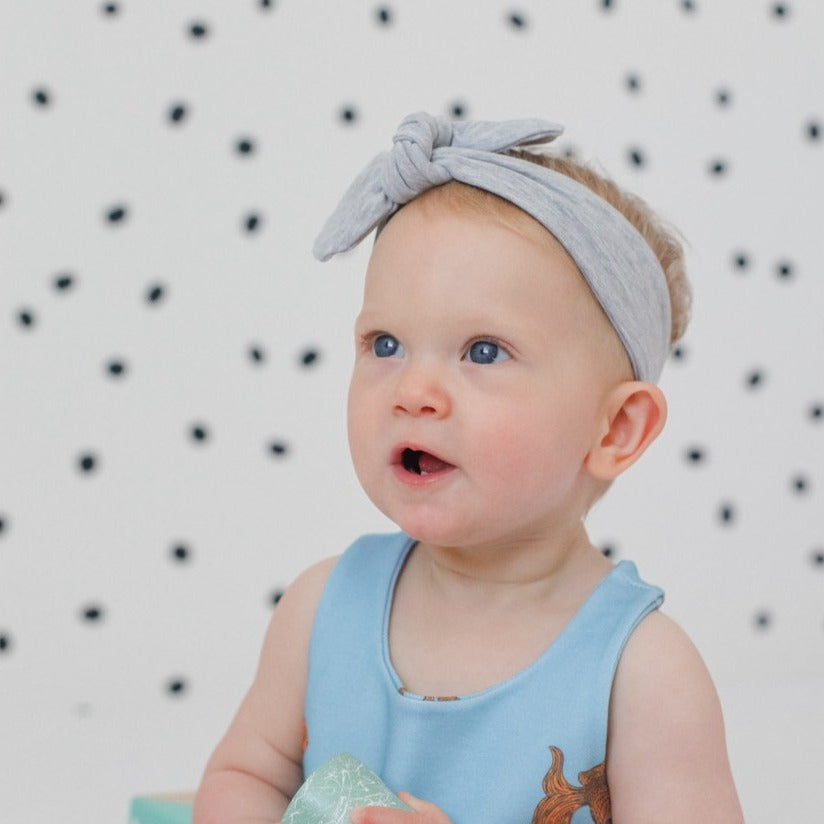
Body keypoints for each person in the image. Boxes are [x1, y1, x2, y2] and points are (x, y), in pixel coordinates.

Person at [192, 112, 744, 824]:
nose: (412, 391)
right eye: (385, 344)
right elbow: (244, 775)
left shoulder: (642, 674)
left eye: (483, 352)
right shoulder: (322, 609)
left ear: (615, 429)